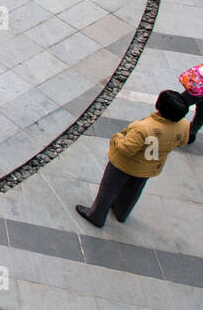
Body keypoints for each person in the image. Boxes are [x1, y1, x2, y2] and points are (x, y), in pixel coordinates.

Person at [76, 91, 190, 228]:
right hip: (150, 167)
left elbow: (126, 149)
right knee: (133, 191)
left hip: (124, 165)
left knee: (109, 189)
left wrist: (117, 138)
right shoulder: (184, 125)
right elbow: (182, 142)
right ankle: (121, 212)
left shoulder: (143, 128)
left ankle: (96, 215)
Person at [179, 63, 202, 144]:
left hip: (200, 86)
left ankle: (172, 125)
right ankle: (191, 132)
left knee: (180, 103)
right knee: (201, 112)